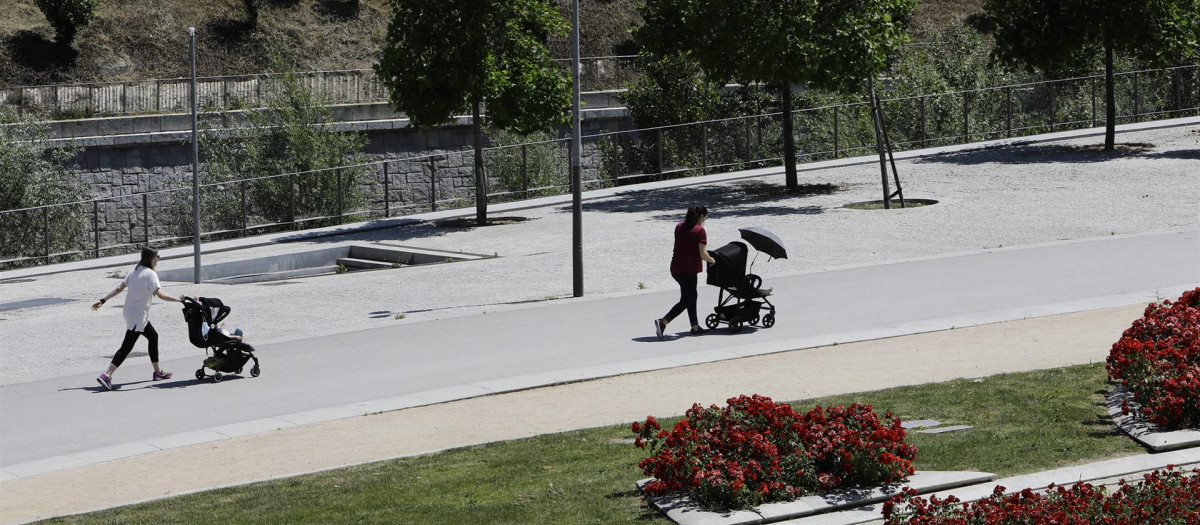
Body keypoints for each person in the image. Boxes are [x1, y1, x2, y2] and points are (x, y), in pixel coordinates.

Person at [91, 247, 187, 390]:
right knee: (126, 347)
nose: (158, 259)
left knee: (153, 337)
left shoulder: (134, 271)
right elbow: (160, 295)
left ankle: (158, 372)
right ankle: (107, 374)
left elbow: (119, 288)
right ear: (151, 258)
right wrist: (179, 300)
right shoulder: (151, 274)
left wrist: (102, 300)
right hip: (138, 316)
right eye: (157, 256)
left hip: (129, 312)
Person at [655, 205, 717, 340]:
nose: (705, 219)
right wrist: (712, 260)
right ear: (701, 216)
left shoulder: (679, 226)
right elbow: (703, 254)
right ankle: (663, 322)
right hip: (689, 270)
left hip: (676, 268)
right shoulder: (700, 231)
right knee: (687, 299)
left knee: (691, 296)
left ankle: (695, 327)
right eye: (705, 217)